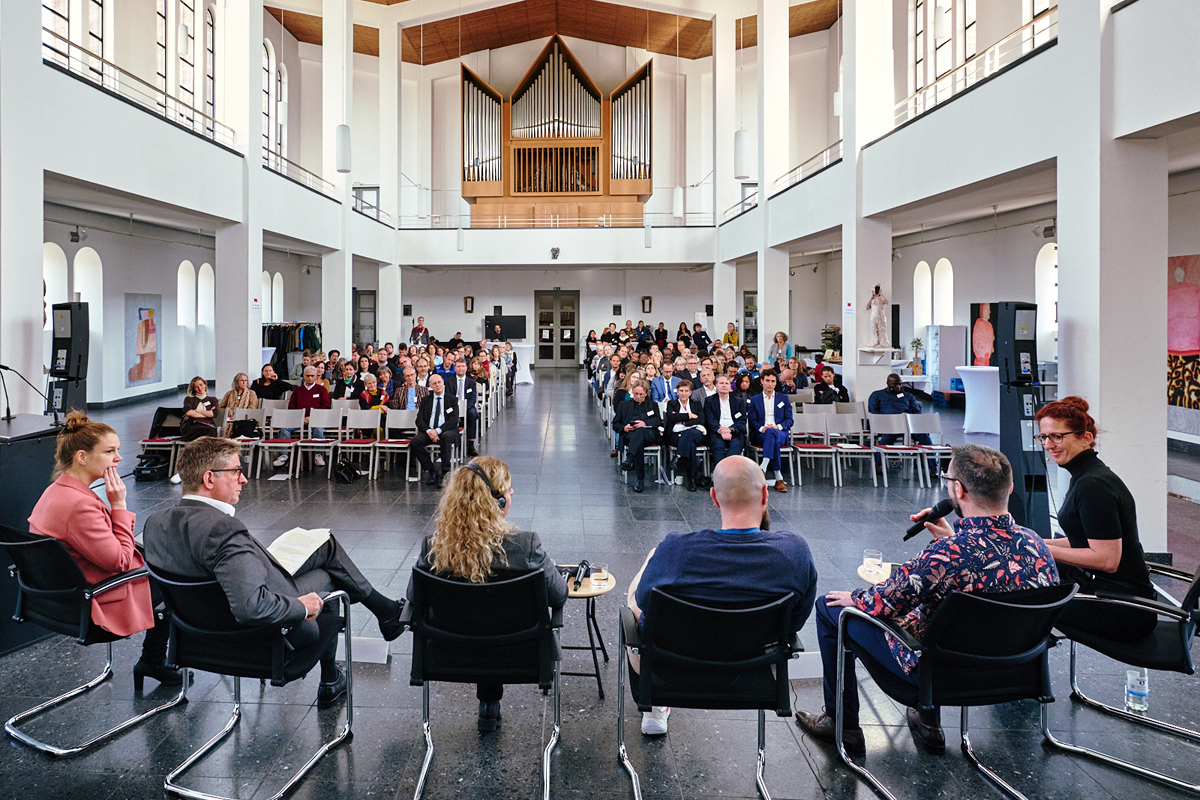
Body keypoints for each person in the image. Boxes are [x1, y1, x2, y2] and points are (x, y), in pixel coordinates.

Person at [796, 444, 1059, 757]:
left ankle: (843, 726)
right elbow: (990, 571)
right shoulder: (1036, 545)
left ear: (957, 490)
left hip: (940, 676)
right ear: (1010, 488)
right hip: (1014, 672)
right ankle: (927, 722)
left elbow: (886, 602)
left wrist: (854, 597)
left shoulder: (946, 555)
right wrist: (953, 539)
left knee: (831, 608)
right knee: (934, 611)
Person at [143, 438, 406, 709]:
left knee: (323, 546)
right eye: (236, 471)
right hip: (258, 638)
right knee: (327, 577)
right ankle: (333, 675)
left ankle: (381, 618)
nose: (243, 479)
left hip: (194, 635)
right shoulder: (224, 531)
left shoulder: (155, 523)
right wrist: (301, 606)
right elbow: (250, 607)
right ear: (209, 478)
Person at [626, 455, 818, 734]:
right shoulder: (795, 554)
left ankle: (656, 709)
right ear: (766, 493)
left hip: (671, 666)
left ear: (714, 497)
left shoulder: (676, 550)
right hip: (753, 668)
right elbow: (795, 623)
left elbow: (645, 603)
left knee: (647, 576)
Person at [406, 456, 566, 731]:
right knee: (493, 617)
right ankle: (490, 702)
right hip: (518, 653)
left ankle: (488, 703)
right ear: (498, 502)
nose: (512, 493)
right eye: (508, 489)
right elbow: (559, 595)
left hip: (449, 654)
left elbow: (413, 597)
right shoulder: (525, 546)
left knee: (479, 615)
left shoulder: (433, 549)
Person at [28, 412, 180, 690]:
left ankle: (154, 660)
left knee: (158, 568)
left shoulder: (55, 491)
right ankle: (154, 660)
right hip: (91, 603)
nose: (119, 458)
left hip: (56, 600)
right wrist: (118, 506)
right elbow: (121, 561)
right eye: (109, 451)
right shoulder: (79, 505)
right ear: (82, 457)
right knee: (174, 582)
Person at [1035, 396, 1157, 640]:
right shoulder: (1086, 475)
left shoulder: (1093, 485)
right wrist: (1033, 541)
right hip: (1109, 594)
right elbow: (1084, 540)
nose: (1049, 444)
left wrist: (1038, 548)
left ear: (1086, 439)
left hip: (1121, 608)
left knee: (1024, 604)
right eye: (1044, 437)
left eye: (1057, 436)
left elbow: (1106, 559)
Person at [868, 373, 933, 472]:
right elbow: (873, 411)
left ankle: (932, 466)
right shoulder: (877, 395)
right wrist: (883, 421)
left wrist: (910, 416)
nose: (897, 387)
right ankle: (878, 463)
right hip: (888, 425)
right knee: (887, 437)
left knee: (924, 436)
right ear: (888, 383)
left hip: (907, 425)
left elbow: (917, 411)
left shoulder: (908, 396)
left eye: (899, 384)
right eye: (894, 384)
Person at [275, 366, 333, 468]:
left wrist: (311, 417)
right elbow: (291, 407)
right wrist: (302, 418)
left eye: (312, 376)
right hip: (298, 419)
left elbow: (325, 406)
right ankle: (284, 455)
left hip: (316, 419)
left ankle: (318, 455)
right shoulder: (297, 391)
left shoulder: (321, 390)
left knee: (318, 429)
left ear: (316, 376)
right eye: (308, 376)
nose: (310, 378)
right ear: (303, 376)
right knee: (285, 428)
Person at [613, 383, 663, 493]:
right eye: (636, 394)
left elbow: (658, 421)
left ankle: (629, 459)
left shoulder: (652, 405)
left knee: (640, 431)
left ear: (646, 393)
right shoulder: (624, 405)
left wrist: (644, 423)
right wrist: (624, 428)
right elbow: (615, 424)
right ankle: (640, 480)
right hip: (630, 434)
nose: (638, 396)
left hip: (649, 434)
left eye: (641, 394)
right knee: (638, 443)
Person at [749, 370, 793, 493]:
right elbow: (752, 420)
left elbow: (789, 420)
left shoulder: (783, 398)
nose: (770, 384)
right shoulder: (755, 399)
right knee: (770, 435)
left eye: (773, 381)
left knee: (772, 433)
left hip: (780, 432)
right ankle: (778, 477)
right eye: (767, 381)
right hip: (762, 433)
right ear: (762, 381)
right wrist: (763, 428)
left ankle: (763, 466)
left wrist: (777, 427)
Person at [413, 374, 459, 487]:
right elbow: (419, 420)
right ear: (430, 386)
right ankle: (432, 471)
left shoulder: (452, 399)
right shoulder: (425, 400)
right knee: (415, 442)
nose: (437, 385)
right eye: (434, 383)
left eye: (439, 382)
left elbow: (453, 420)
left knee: (445, 437)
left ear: (443, 382)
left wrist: (437, 431)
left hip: (447, 430)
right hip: (429, 431)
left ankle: (445, 472)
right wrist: (430, 431)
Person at [664, 380, 707, 492]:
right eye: (681, 391)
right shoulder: (671, 404)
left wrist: (683, 421)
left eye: (686, 391)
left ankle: (677, 456)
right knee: (691, 446)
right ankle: (691, 479)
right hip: (676, 435)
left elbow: (701, 420)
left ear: (690, 392)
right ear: (677, 392)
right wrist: (690, 415)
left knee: (689, 433)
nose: (683, 393)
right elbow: (671, 418)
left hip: (696, 433)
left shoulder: (696, 404)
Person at [704, 374, 747, 464]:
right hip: (717, 432)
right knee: (718, 447)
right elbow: (710, 419)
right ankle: (721, 475)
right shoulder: (709, 401)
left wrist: (730, 429)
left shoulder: (738, 401)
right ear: (716, 385)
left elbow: (742, 420)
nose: (724, 385)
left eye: (726, 383)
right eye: (721, 383)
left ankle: (729, 473)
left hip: (735, 432)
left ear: (730, 385)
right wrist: (721, 430)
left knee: (735, 447)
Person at [447, 359, 480, 458]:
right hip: (453, 407)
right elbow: (448, 398)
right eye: (458, 366)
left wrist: (463, 410)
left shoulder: (471, 382)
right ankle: (455, 442)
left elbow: (472, 399)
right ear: (455, 368)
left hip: (467, 407)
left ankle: (470, 444)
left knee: (472, 414)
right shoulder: (449, 381)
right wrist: (457, 412)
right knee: (448, 414)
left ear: (466, 368)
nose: (460, 368)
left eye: (462, 366)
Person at [218, 373, 258, 437]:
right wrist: (228, 415)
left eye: (246, 380)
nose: (244, 382)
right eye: (241, 380)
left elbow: (252, 408)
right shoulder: (229, 393)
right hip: (229, 419)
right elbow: (221, 407)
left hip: (245, 419)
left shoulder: (251, 393)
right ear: (236, 382)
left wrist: (238, 416)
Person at [181, 377, 218, 442]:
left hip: (208, 425)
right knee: (209, 432)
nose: (200, 388)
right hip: (191, 426)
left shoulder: (213, 400)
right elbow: (189, 413)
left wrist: (196, 411)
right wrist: (207, 413)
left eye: (201, 385)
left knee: (211, 432)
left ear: (205, 384)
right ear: (193, 389)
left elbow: (213, 414)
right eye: (196, 387)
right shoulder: (189, 399)